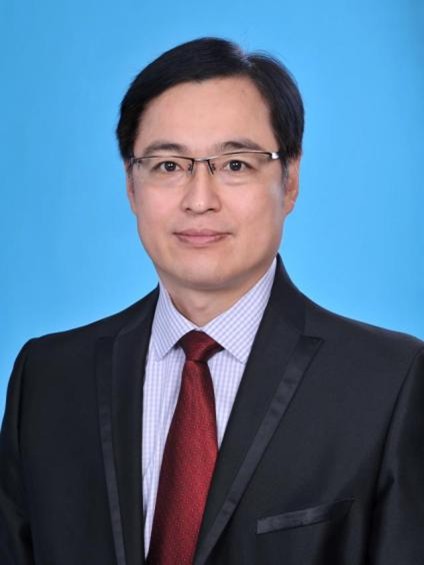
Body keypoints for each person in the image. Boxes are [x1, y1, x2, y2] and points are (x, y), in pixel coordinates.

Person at [0, 37, 423, 565]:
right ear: (131, 186)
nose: (199, 200)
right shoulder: (47, 378)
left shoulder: (389, 382)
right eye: (168, 166)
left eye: (236, 165)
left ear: (290, 181)